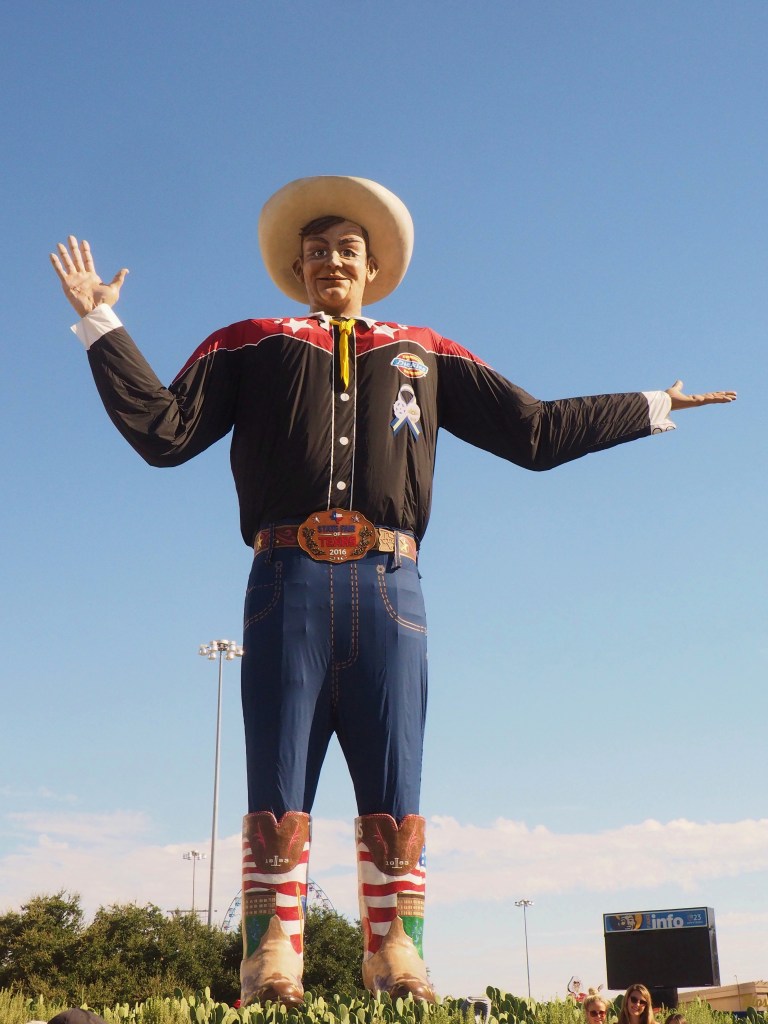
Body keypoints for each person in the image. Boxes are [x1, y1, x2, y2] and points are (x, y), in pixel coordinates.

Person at [50, 176, 736, 1007]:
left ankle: (395, 952)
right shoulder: (249, 340)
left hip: (391, 584)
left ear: (373, 267)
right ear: (297, 268)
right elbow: (163, 432)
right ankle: (271, 953)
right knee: (276, 772)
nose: (329, 261)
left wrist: (653, 404)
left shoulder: (424, 351)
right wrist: (99, 320)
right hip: (285, 578)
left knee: (396, 775)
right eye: (314, 252)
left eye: (345, 250)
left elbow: (535, 432)